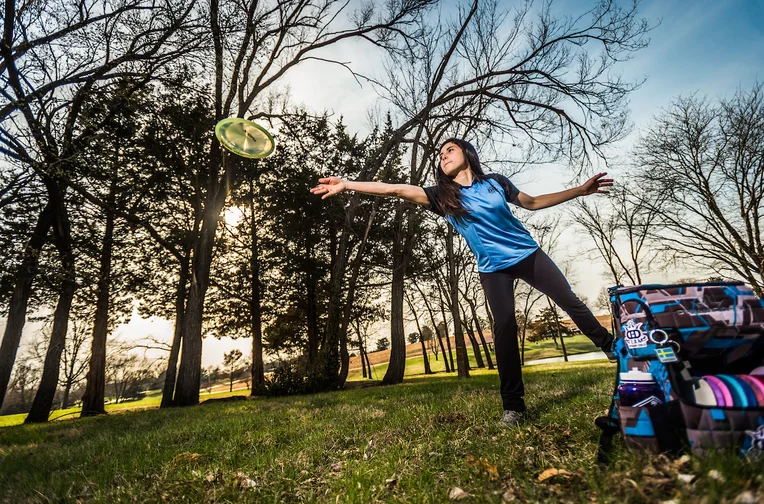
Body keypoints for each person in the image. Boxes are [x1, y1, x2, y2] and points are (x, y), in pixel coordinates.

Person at [310, 138, 616, 426]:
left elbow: (532, 202)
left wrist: (579, 190)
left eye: (449, 150)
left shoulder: (496, 182)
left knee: (569, 300)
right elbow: (395, 189)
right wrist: (348, 184)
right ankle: (514, 406)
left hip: (527, 254)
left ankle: (612, 348)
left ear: (467, 154)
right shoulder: (441, 197)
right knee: (505, 325)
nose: (443, 157)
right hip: (493, 268)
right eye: (440, 156)